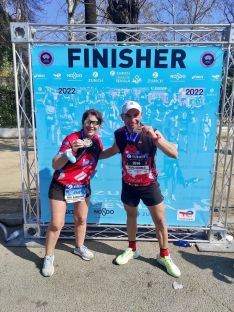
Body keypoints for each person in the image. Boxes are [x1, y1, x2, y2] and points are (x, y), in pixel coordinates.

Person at [100, 100, 181, 278]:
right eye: (128, 115)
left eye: (135, 115)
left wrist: (155, 138)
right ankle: (132, 249)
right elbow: (113, 150)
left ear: (141, 115)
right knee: (131, 216)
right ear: (122, 117)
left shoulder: (152, 132)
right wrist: (92, 155)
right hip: (128, 184)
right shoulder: (119, 134)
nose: (132, 119)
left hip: (149, 185)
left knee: (160, 221)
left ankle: (164, 256)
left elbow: (174, 153)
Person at [42, 109, 104, 277]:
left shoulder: (97, 142)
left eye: (95, 123)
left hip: (82, 186)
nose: (91, 126)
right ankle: (48, 256)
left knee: (81, 219)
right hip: (61, 185)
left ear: (99, 126)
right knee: (56, 223)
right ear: (83, 123)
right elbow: (55, 164)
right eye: (88, 122)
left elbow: (101, 156)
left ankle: (79, 247)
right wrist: (71, 152)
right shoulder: (71, 139)